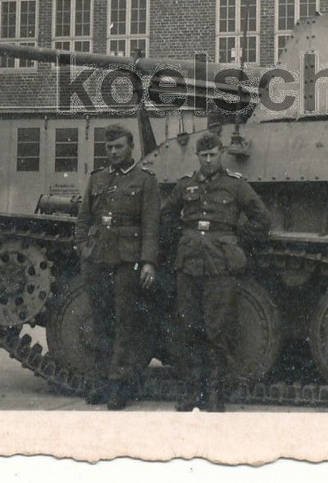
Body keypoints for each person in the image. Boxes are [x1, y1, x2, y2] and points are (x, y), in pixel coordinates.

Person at [163, 132, 270, 412]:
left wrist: (233, 239)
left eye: (213, 155)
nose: (209, 160)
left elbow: (261, 218)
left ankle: (214, 393)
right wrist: (182, 237)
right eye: (204, 156)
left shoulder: (235, 185)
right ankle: (192, 391)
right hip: (188, 262)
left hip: (220, 265)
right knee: (189, 328)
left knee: (217, 330)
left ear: (221, 154)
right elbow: (166, 214)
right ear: (197, 157)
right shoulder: (186, 184)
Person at [71, 123, 160, 410]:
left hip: (127, 259)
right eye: (108, 147)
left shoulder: (145, 180)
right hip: (97, 257)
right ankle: (100, 381)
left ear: (130, 147)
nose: (112, 152)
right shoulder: (97, 178)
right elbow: (84, 218)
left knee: (124, 323)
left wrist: (147, 261)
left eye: (118, 147)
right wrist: (83, 247)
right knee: (100, 320)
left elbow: (151, 225)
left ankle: (119, 386)